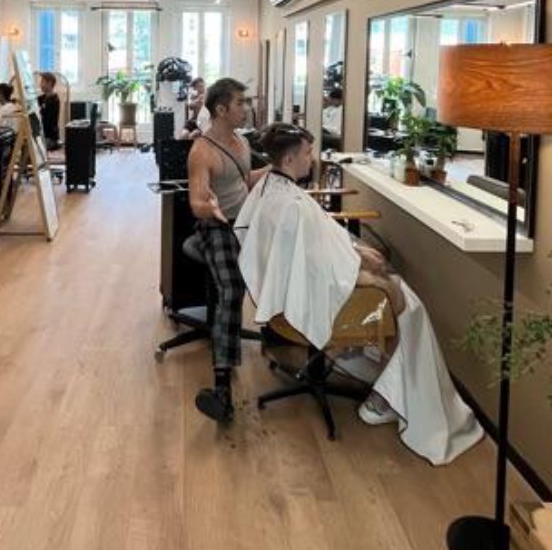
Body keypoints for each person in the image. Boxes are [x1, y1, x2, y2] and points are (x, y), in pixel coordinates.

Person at [234, 123, 484, 465]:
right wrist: (367, 274)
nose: (312, 158)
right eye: (307, 153)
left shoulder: (270, 186)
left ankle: (379, 372)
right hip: (309, 295)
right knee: (410, 307)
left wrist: (355, 251)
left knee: (387, 281)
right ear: (289, 159)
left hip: (287, 294)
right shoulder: (294, 205)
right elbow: (321, 266)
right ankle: (388, 398)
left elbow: (316, 246)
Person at [187, 78, 271, 423]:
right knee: (231, 288)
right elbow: (196, 202)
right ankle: (221, 389)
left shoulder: (241, 142)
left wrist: (276, 170)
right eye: (241, 103)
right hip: (215, 226)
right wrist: (209, 207)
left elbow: (244, 180)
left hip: (243, 223)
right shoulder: (202, 151)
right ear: (221, 109)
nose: (246, 108)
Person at [37, 72, 61, 150]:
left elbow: (46, 120)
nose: (40, 85)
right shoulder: (43, 98)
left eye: (42, 82)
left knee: (30, 148)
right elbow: (32, 102)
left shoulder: (54, 100)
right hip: (43, 136)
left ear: (49, 83)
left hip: (50, 138)